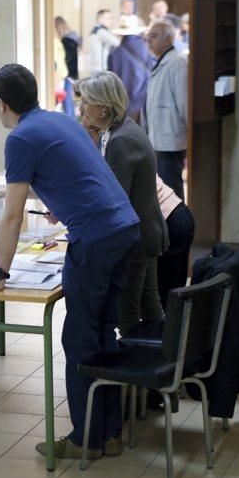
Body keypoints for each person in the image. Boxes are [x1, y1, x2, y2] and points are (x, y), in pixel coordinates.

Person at [0, 64, 140, 460]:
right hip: (124, 228)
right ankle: (109, 433)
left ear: (2, 104)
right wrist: (11, 195)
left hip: (95, 239)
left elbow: (11, 219)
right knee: (101, 333)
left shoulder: (20, 137)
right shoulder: (58, 120)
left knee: (79, 339)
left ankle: (85, 441)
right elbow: (73, 177)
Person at [77, 72, 168, 335]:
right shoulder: (120, 130)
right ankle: (161, 363)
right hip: (146, 231)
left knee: (127, 315)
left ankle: (138, 370)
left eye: (87, 102)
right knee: (150, 306)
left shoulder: (121, 140)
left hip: (135, 239)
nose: (83, 109)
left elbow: (112, 199)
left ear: (104, 107)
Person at [145, 21, 188, 202]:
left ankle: (178, 229)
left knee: (172, 191)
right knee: (164, 190)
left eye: (154, 36)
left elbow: (184, 102)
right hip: (160, 139)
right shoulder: (162, 62)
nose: (148, 40)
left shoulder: (177, 63)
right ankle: (170, 227)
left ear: (169, 39)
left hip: (171, 140)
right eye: (148, 36)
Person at [155, 174, 194, 309]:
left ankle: (171, 328)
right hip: (177, 216)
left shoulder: (115, 157)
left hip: (171, 223)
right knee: (171, 298)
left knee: (169, 299)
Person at [107, 15, 152, 122]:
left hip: (123, 103)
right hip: (146, 100)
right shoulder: (148, 49)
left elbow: (111, 80)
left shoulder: (115, 53)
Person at [54, 16, 81, 117]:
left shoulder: (66, 41)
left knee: (67, 101)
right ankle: (71, 120)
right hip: (72, 74)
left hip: (67, 74)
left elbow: (66, 60)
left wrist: (64, 73)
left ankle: (70, 121)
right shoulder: (72, 39)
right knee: (68, 100)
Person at [87, 9, 120, 75]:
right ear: (99, 19)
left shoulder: (95, 31)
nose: (110, 21)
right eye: (108, 18)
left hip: (94, 69)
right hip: (101, 70)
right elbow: (118, 44)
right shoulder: (101, 32)